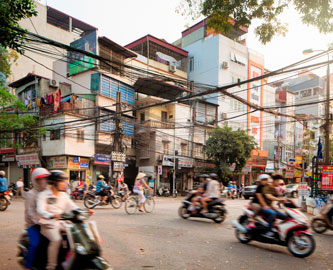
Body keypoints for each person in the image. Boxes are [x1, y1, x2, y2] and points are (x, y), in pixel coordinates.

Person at [37, 170, 86, 270]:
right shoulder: (43, 195)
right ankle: (51, 266)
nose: (65, 184)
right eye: (62, 181)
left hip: (61, 222)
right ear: (54, 182)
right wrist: (51, 215)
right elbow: (40, 210)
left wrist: (83, 211)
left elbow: (74, 207)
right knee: (56, 239)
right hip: (48, 224)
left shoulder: (64, 195)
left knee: (75, 238)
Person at [24, 168, 50, 270]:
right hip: (34, 225)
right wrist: (39, 222)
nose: (44, 181)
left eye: (45, 178)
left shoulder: (49, 192)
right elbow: (30, 213)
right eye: (40, 179)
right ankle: (28, 266)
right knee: (35, 244)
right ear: (36, 180)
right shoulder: (31, 194)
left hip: (48, 222)